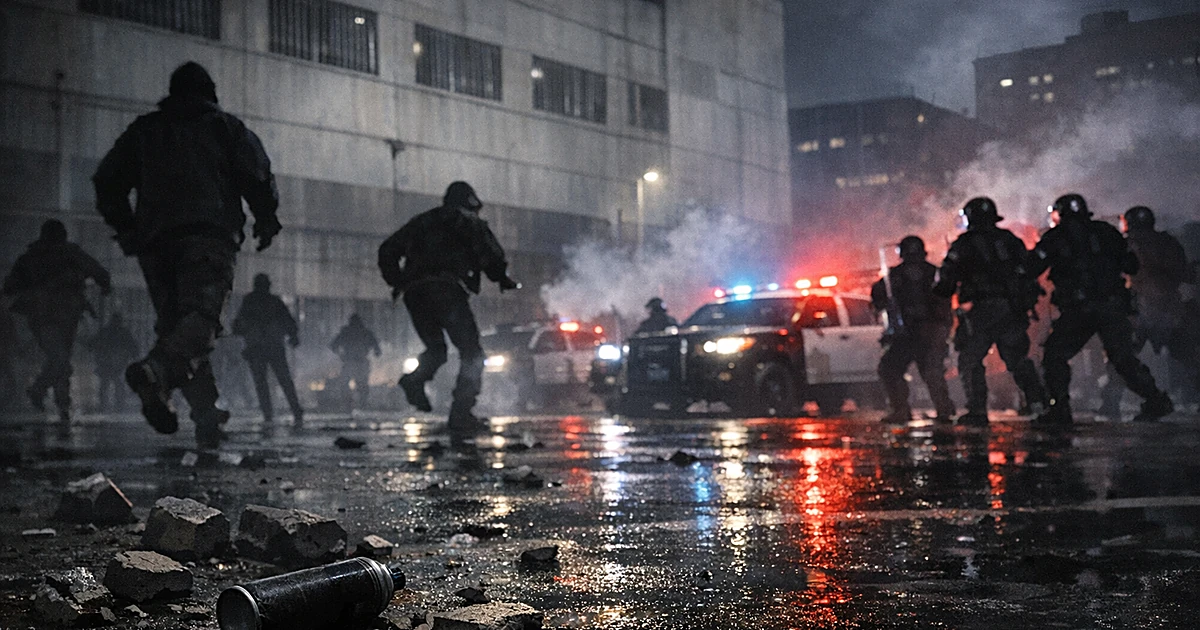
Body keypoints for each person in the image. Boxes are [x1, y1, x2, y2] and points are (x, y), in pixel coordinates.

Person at [92, 61, 281, 448]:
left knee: (181, 328)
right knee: (201, 322)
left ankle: (206, 416)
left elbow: (107, 180)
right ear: (210, 92)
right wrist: (266, 219)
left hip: (156, 244)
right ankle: (156, 373)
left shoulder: (144, 131)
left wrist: (126, 227)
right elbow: (258, 175)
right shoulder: (225, 128)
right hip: (207, 237)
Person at [378, 181, 519, 436]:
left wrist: (398, 281)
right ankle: (461, 414)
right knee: (472, 353)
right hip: (447, 292)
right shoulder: (467, 221)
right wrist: (502, 278)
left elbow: (387, 250)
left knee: (436, 349)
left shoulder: (421, 221)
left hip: (415, 294)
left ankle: (414, 380)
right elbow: (490, 254)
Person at [1028, 195, 1173, 424]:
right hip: (1113, 306)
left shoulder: (1055, 237)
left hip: (1079, 309)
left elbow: (1031, 267)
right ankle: (1156, 400)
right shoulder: (1106, 232)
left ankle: (1059, 409)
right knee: (1123, 358)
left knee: (1055, 355)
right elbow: (1131, 265)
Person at [933, 197, 1047, 425]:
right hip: (1011, 310)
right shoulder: (1010, 240)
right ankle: (1038, 404)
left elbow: (944, 284)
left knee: (970, 359)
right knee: (1017, 358)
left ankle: (977, 410)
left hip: (980, 313)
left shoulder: (963, 245)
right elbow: (1029, 270)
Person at [2, 220, 111, 423]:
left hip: (45, 316)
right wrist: (103, 285)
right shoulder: (69, 254)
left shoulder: (32, 257)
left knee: (60, 358)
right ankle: (45, 393)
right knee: (60, 358)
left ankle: (60, 402)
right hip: (60, 315)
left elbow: (10, 286)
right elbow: (99, 272)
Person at [1097, 206, 1198, 417]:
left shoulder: (1125, 244)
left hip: (1138, 311)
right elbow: (1183, 273)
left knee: (1122, 358)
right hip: (1169, 310)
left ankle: (1112, 403)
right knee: (1188, 357)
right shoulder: (1167, 242)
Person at [871, 236, 957, 423]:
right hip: (923, 333)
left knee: (893, 369)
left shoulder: (894, 276)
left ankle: (902, 409)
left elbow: (878, 300)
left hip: (912, 334)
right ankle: (942, 410)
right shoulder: (933, 272)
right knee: (929, 371)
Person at [231, 274, 304, 427]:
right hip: (271, 347)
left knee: (264, 382)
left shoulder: (251, 301)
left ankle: (270, 413)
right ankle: (293, 411)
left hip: (259, 348)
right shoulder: (273, 302)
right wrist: (293, 336)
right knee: (282, 380)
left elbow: (239, 323)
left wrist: (240, 330)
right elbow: (288, 321)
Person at [88, 312, 139, 412]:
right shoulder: (122, 332)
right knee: (115, 383)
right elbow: (133, 347)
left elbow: (92, 343)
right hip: (114, 362)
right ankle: (117, 404)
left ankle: (107, 404)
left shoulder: (106, 331)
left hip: (108, 362)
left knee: (108, 383)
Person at [330, 313, 382, 408]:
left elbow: (333, 346)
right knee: (360, 384)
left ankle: (349, 403)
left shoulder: (346, 332)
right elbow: (377, 350)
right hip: (359, 362)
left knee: (347, 383)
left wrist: (340, 354)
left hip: (350, 361)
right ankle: (361, 403)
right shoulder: (365, 332)